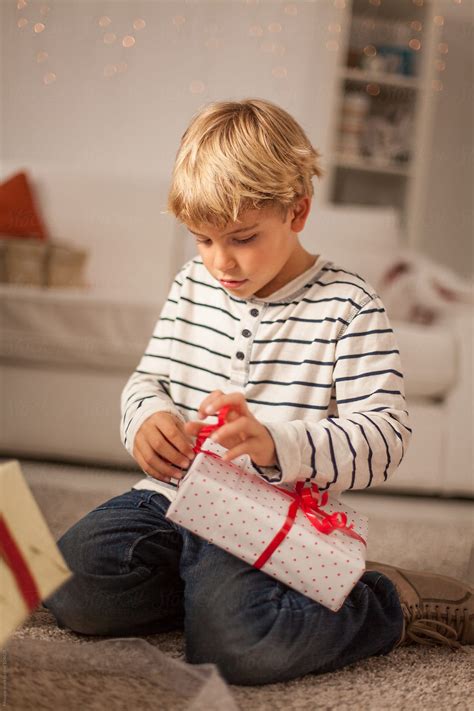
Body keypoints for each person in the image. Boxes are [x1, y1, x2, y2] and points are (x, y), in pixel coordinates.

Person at [45, 98, 473, 686]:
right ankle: (245, 596)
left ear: (297, 212)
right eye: (202, 240)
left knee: (240, 651)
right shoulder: (192, 285)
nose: (220, 262)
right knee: (62, 582)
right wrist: (146, 421)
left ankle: (383, 598)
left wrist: (276, 444)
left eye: (242, 238)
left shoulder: (348, 306)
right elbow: (150, 381)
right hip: (173, 498)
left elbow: (387, 438)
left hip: (268, 515)